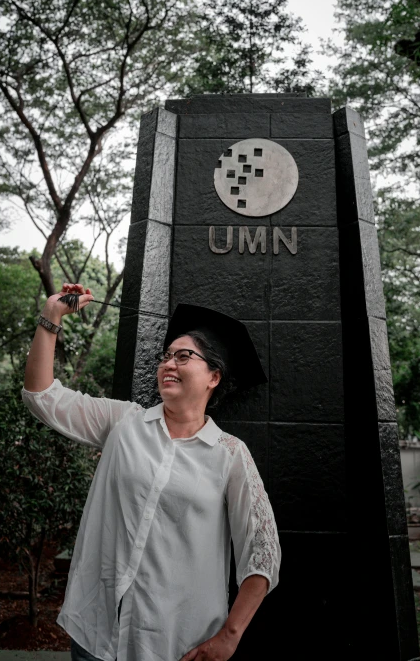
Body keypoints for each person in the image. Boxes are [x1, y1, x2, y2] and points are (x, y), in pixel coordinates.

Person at [22, 282, 281, 661]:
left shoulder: (230, 456)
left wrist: (230, 636)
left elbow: (262, 553)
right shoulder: (123, 422)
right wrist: (51, 316)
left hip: (176, 643)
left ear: (214, 377)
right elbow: (41, 396)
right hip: (97, 634)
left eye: (184, 356)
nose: (169, 364)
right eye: (166, 356)